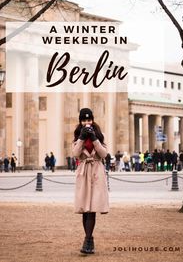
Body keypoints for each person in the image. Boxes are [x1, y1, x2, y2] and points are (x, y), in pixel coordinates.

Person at [72, 108, 109, 255]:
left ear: (92, 120)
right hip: (83, 172)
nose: (87, 123)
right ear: (80, 122)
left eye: (89, 120)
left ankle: (87, 240)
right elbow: (75, 154)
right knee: (84, 210)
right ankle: (89, 239)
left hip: (96, 172)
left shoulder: (100, 135)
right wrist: (81, 138)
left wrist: (95, 139)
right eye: (84, 120)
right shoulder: (76, 137)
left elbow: (104, 154)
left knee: (92, 208)